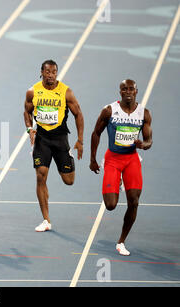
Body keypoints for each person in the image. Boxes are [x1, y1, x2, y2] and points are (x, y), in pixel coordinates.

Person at [90, 79, 152, 256]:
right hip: (113, 160)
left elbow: (149, 140)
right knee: (110, 205)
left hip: (131, 159)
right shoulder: (109, 110)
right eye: (124, 89)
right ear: (120, 92)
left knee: (134, 201)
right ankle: (115, 182)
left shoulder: (143, 113)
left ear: (136, 91)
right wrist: (93, 159)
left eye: (131, 89)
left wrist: (144, 145)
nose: (128, 92)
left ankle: (121, 241)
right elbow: (96, 133)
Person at [23, 59, 84, 232]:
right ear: (41, 72)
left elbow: (78, 114)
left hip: (60, 139)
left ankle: (67, 159)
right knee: (41, 176)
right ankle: (46, 220)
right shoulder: (33, 91)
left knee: (69, 180)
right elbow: (26, 112)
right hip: (42, 139)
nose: (51, 75)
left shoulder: (66, 92)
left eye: (54, 72)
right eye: (47, 72)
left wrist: (80, 140)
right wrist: (29, 129)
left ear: (57, 73)